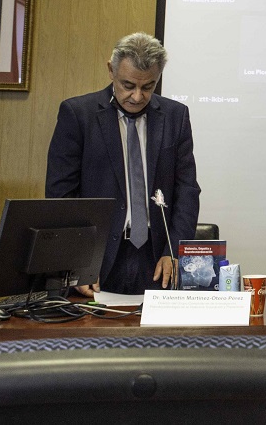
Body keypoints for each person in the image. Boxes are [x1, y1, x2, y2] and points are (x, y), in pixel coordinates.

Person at [45, 32, 201, 295]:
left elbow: (187, 190)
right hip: (97, 257)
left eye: (148, 86)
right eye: (128, 85)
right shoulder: (78, 114)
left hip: (157, 256)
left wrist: (175, 250)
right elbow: (61, 197)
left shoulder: (176, 116)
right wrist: (76, 261)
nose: (137, 96)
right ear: (111, 70)